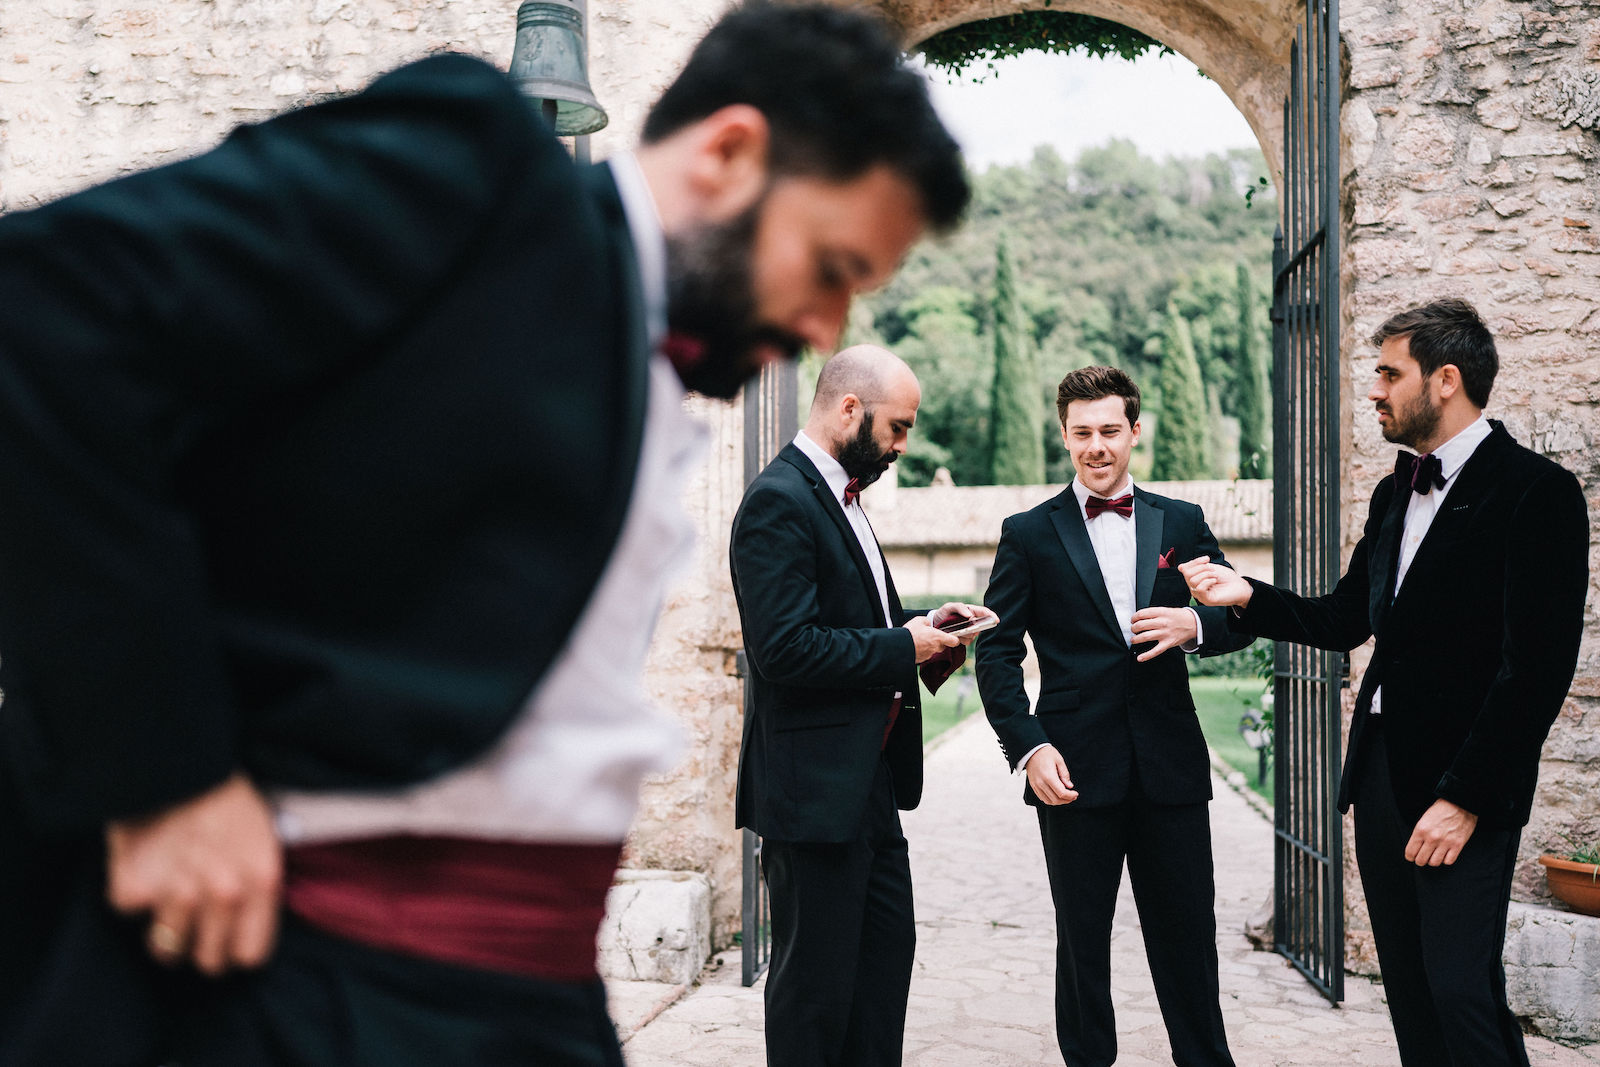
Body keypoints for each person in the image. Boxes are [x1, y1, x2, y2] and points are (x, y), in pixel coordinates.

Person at [0, 4, 969, 1065]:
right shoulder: (475, 166)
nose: (825, 330)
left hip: (532, 1001)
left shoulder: (661, 379)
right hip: (291, 981)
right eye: (829, 267)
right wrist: (162, 772)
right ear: (731, 152)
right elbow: (42, 309)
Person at [1181, 298, 1587, 1067]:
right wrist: (1248, 596)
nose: (1373, 389)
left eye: (1387, 373)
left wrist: (1464, 797)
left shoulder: (1539, 492)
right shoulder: (1393, 492)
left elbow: (1534, 671)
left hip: (1464, 786)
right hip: (1380, 777)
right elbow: (1347, 617)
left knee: (1461, 991)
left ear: (1445, 379)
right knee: (1409, 990)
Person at [974, 365, 1251, 1067]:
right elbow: (996, 655)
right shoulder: (1028, 534)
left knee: (1189, 939)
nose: (1096, 446)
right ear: (1064, 435)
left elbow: (1240, 613)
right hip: (1072, 770)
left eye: (1109, 431)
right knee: (1082, 943)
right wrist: (1030, 748)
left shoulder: (1180, 522)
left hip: (1171, 769)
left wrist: (1196, 623)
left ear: (1135, 431)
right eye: (1081, 432)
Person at [730, 344, 990, 1067]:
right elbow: (784, 650)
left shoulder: (842, 500)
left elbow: (858, 620)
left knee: (880, 984)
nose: (904, 445)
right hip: (812, 798)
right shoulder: (778, 501)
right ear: (850, 408)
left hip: (869, 788)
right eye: (898, 427)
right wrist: (902, 647)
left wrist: (929, 631)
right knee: (814, 1002)